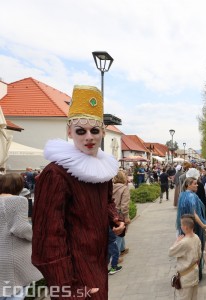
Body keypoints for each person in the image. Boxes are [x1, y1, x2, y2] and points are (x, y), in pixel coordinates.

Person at [31, 85, 125, 299]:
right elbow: (47, 237)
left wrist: (115, 219)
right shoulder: (55, 174)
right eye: (81, 131)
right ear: (69, 131)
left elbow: (107, 202)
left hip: (97, 264)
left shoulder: (102, 169)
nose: (88, 137)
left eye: (95, 130)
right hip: (73, 277)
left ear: (103, 132)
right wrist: (66, 287)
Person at [0, 173, 42, 300]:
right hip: (13, 257)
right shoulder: (18, 201)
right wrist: (38, 236)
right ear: (18, 185)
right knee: (15, 294)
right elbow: (20, 228)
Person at [177, 177, 206, 280]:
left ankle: (189, 274)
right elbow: (194, 213)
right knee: (196, 250)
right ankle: (196, 274)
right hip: (195, 228)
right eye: (195, 183)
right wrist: (203, 225)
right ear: (188, 185)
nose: (197, 185)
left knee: (188, 251)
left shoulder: (182, 195)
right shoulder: (192, 196)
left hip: (185, 227)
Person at [169, 214, 202, 300]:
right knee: (194, 297)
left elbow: (171, 252)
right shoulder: (197, 237)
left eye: (181, 225)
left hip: (185, 278)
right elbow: (199, 255)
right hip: (194, 274)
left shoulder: (183, 242)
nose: (181, 226)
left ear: (186, 227)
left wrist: (177, 241)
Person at [113, 170, 131, 255]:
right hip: (119, 213)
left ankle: (122, 248)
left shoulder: (111, 187)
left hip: (111, 212)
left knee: (119, 232)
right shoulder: (124, 188)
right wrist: (126, 216)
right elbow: (124, 205)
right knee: (119, 233)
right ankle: (116, 256)